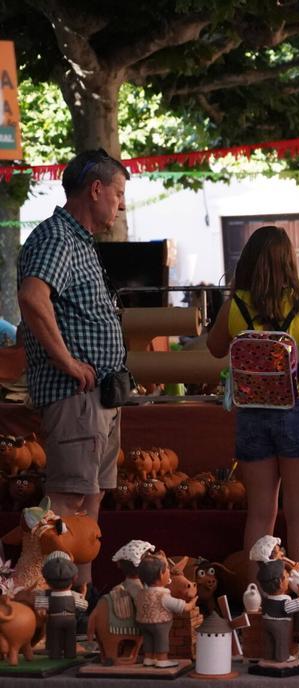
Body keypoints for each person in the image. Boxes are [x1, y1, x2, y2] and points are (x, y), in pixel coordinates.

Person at [17, 149, 128, 590]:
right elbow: (32, 297)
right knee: (66, 498)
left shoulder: (77, 240)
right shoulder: (57, 238)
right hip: (74, 394)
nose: (120, 204)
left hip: (98, 394)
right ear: (95, 189)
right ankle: (43, 598)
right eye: (118, 194)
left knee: (90, 495)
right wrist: (65, 360)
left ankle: (79, 594)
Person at [207, 226, 299, 589]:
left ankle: (257, 598)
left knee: (260, 516)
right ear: (288, 262)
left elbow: (215, 348)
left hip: (252, 415)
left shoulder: (235, 305)